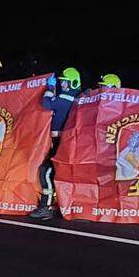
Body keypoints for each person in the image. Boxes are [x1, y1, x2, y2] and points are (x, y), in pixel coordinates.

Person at [29, 67, 82, 219]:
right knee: (55, 173)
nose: (62, 85)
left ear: (72, 83)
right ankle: (59, 204)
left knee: (46, 172)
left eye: (65, 83)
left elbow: (46, 103)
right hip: (61, 142)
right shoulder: (71, 99)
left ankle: (46, 206)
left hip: (61, 142)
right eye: (61, 82)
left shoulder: (66, 99)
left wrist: (50, 87)